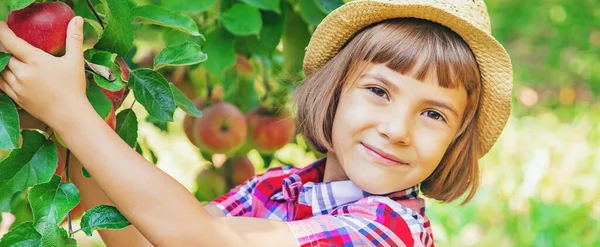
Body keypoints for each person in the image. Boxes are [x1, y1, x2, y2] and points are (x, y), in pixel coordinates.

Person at [0, 0, 512, 246]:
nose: (398, 128)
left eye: (433, 114)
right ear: (331, 96)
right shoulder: (283, 188)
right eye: (379, 91)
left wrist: (71, 114)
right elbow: (146, 238)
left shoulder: (388, 232)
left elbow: (198, 242)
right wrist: (79, 119)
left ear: (456, 140)